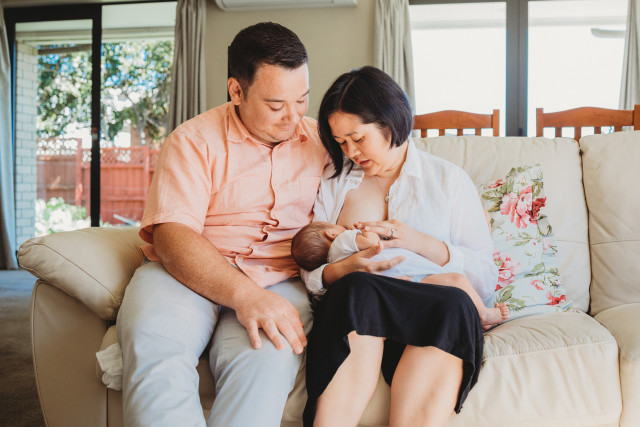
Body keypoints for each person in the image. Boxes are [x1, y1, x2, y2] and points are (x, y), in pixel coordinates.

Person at [116, 22, 329, 427]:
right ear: (236, 90)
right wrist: (243, 294)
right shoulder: (192, 140)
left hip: (279, 277)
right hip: (184, 273)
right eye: (276, 105)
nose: (293, 116)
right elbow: (173, 236)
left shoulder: (322, 141)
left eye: (302, 99)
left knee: (267, 359)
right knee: (154, 343)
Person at [301, 66, 499, 427]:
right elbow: (310, 268)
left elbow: (485, 278)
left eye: (358, 138)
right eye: (341, 142)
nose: (351, 152)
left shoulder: (448, 181)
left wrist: (419, 242)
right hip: (360, 310)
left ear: (389, 124)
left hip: (430, 311)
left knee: (455, 304)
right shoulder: (334, 182)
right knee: (357, 288)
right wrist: (347, 267)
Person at [291, 221, 508, 329]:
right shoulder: (343, 240)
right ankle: (483, 314)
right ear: (330, 233)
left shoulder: (335, 260)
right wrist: (366, 229)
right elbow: (372, 242)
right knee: (457, 281)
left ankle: (475, 316)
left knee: (453, 286)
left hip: (402, 282)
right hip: (411, 275)